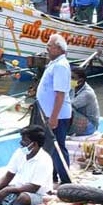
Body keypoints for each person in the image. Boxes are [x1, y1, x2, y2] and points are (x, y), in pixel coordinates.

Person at [0, 126, 53, 205]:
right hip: (18, 189)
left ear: (34, 144)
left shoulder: (44, 160)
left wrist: (8, 190)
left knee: (23, 199)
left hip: (39, 195)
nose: (21, 143)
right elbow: (9, 175)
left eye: (25, 140)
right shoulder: (19, 153)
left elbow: (33, 187)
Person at [36, 33, 72, 184]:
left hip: (58, 115)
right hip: (48, 112)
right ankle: (52, 175)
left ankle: (66, 180)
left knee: (58, 146)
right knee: (49, 146)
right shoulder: (54, 63)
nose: (47, 49)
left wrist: (54, 116)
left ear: (58, 49)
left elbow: (60, 94)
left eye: (49, 46)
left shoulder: (61, 66)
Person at [70, 67, 100, 136]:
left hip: (91, 125)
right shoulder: (72, 87)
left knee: (67, 112)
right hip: (79, 116)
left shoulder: (87, 93)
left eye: (72, 78)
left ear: (80, 81)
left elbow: (69, 106)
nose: (69, 79)